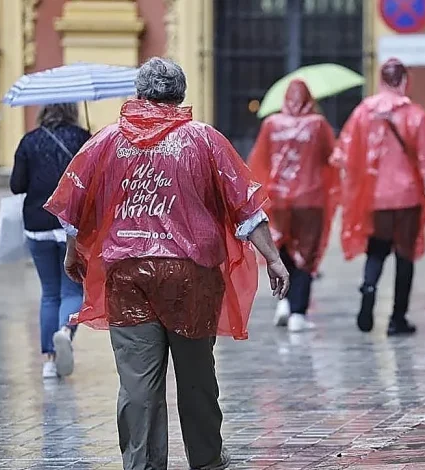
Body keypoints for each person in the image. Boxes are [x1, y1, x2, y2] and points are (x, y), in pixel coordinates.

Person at [44, 57, 289, 470]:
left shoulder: (106, 141)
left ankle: (142, 463)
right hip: (190, 277)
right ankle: (207, 458)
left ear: (140, 94)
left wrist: (73, 253)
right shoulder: (205, 140)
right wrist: (273, 257)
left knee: (138, 384)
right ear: (181, 95)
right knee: (196, 377)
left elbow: (75, 203)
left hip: (127, 276)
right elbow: (246, 206)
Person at [332, 58, 425, 336]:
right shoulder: (416, 115)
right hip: (407, 198)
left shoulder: (362, 113)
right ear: (405, 80)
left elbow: (344, 156)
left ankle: (368, 291)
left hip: (375, 197)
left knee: (377, 250)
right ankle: (397, 317)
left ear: (380, 79)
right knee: (405, 255)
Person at [248, 79, 338, 333]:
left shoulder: (271, 124)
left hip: (278, 199)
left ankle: (284, 303)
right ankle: (298, 311)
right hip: (310, 199)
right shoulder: (318, 125)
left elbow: (259, 161)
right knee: (306, 255)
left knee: (281, 250)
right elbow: (331, 156)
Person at [10, 103, 90, 379]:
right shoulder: (82, 138)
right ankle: (65, 331)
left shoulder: (29, 141)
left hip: (38, 223)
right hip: (73, 225)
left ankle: (48, 361)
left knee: (49, 293)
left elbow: (16, 185)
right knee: (73, 291)